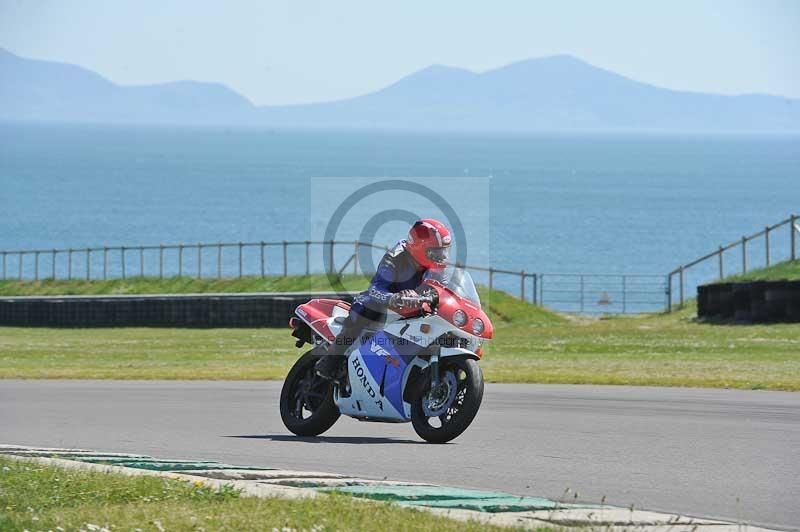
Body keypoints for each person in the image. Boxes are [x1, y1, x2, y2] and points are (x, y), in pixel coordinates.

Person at [314, 218, 452, 380]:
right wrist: (393, 298)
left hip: (413, 309)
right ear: (420, 248)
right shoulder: (395, 257)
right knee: (365, 311)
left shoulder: (436, 267)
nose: (441, 257)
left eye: (444, 252)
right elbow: (375, 288)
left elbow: (442, 290)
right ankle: (331, 360)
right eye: (435, 252)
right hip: (384, 303)